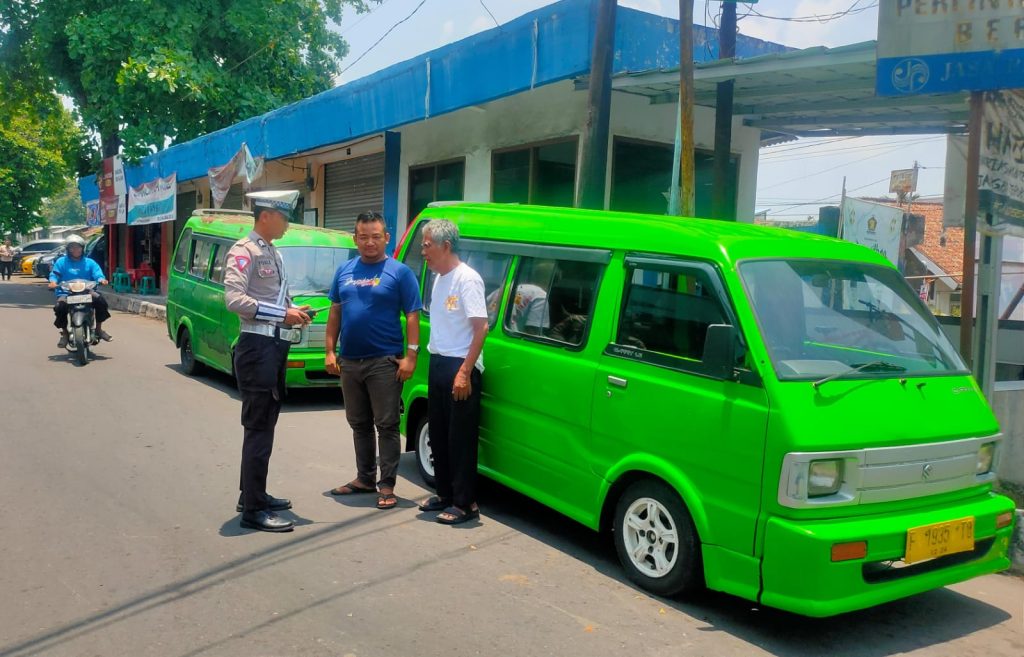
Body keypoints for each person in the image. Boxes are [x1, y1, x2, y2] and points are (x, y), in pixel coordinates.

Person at [224, 190, 312, 533]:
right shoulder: (244, 251)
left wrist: (295, 312)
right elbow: (234, 299)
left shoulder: (271, 251)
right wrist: (283, 313)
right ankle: (254, 510)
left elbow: (272, 299)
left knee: (266, 425)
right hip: (257, 347)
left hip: (272, 346)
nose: (288, 222)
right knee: (258, 429)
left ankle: (253, 494)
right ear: (266, 216)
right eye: (284, 215)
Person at [325, 211, 422, 510]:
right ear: (355, 239)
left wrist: (411, 356)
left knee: (387, 424)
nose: (370, 242)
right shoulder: (344, 271)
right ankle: (365, 478)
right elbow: (336, 312)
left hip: (384, 361)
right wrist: (329, 350)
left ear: (387, 238)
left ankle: (387, 484)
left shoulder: (400, 272)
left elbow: (412, 315)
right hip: (350, 361)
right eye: (363, 237)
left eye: (376, 236)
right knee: (359, 423)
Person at [416, 219, 488, 525]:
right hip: (440, 362)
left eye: (427, 245)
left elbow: (481, 327)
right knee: (440, 433)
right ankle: (445, 493)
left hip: (461, 365)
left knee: (460, 438)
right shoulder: (439, 278)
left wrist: (464, 372)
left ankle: (465, 502)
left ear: (446, 246)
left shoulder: (467, 279)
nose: (423, 251)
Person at [47, 235, 111, 346]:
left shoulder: (90, 262)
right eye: (72, 247)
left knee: (101, 301)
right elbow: (54, 275)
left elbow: (98, 274)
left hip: (87, 291)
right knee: (60, 307)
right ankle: (65, 334)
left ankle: (99, 329)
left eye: (78, 247)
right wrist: (53, 282)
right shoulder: (61, 262)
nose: (75, 250)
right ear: (68, 249)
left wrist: (101, 279)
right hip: (66, 293)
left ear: (82, 248)